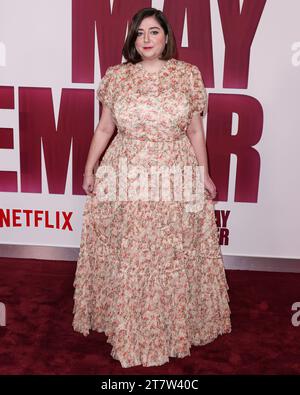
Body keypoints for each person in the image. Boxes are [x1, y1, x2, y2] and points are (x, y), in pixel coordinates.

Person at [72, 7, 231, 368]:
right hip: (125, 173)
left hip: (174, 173)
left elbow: (194, 131)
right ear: (133, 39)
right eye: (140, 33)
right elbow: (104, 129)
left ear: (166, 37)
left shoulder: (187, 76)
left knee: (169, 252)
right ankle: (125, 322)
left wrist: (203, 174)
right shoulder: (117, 77)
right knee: (131, 252)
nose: (146, 39)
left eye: (153, 32)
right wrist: (89, 167)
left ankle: (173, 325)